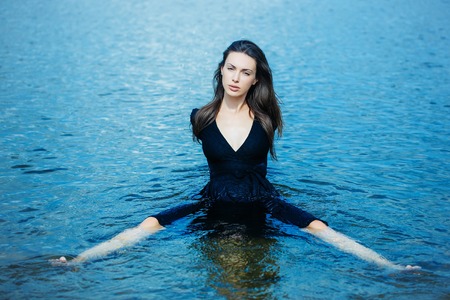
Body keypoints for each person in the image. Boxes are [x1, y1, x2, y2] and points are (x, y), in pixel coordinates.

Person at [54, 40, 419, 270]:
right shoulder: (200, 117)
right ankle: (81, 260)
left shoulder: (267, 118)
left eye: (246, 72)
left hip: (263, 198)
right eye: (231, 68)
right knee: (150, 224)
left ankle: (390, 267)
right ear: (221, 69)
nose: (236, 77)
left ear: (255, 79)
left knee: (319, 227)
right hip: (213, 197)